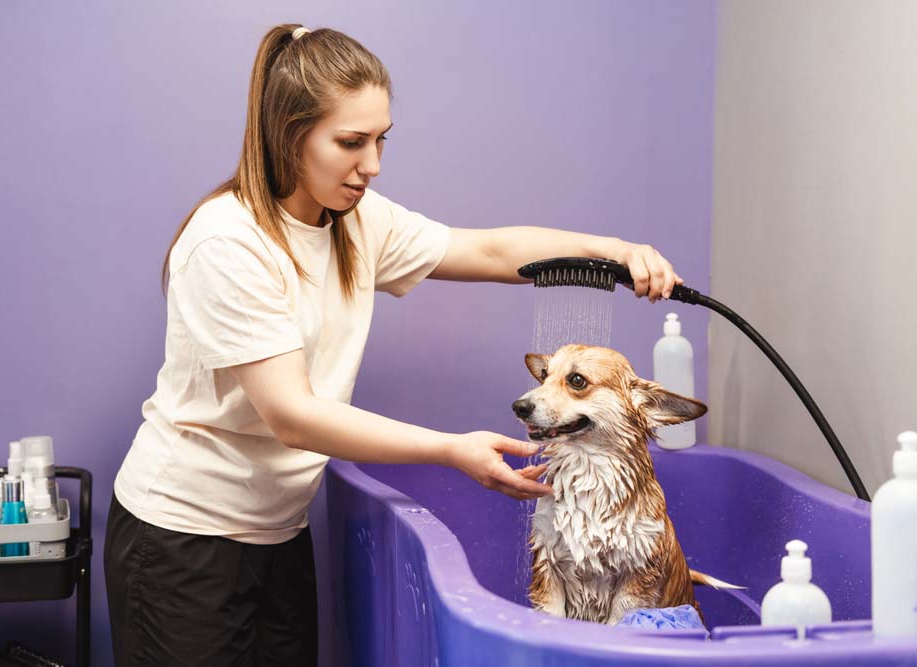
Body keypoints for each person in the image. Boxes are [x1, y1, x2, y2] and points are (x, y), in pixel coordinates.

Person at [103, 23, 683, 666]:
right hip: (183, 540)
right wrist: (449, 450)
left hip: (279, 532)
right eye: (351, 142)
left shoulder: (355, 220)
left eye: (380, 140)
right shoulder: (229, 244)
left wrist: (613, 251)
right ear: (287, 133)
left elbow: (488, 250)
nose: (371, 165)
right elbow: (292, 415)